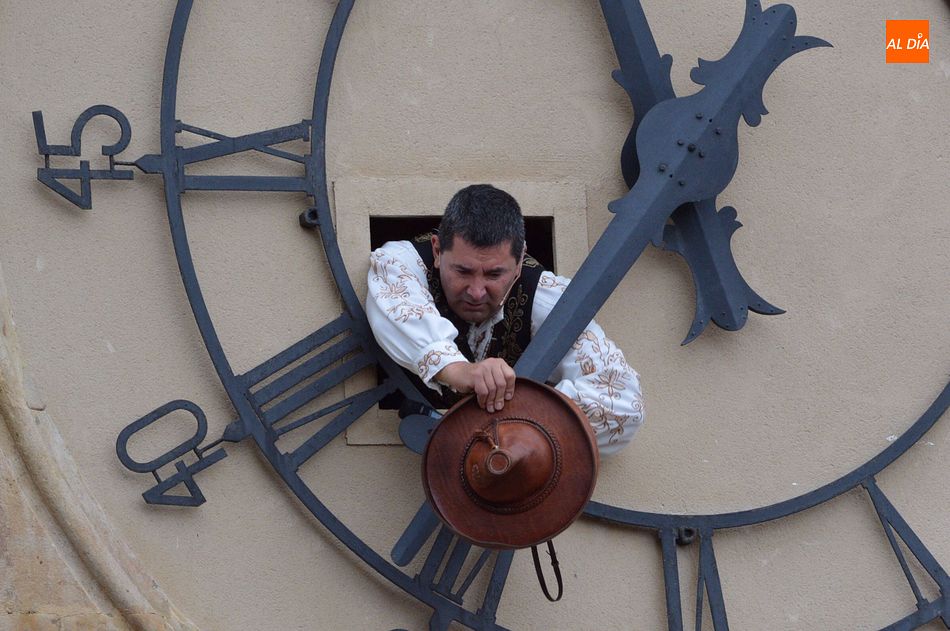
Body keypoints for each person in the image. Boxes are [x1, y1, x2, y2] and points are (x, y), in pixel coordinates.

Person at [365, 184, 643, 455]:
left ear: (520, 261)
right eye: (463, 271)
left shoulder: (548, 298)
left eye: (493, 275)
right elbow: (395, 301)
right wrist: (461, 371)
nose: (476, 291)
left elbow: (623, 405)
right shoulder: (401, 263)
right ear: (437, 251)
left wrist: (523, 410)